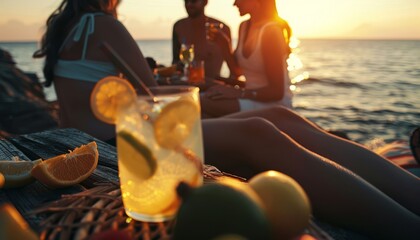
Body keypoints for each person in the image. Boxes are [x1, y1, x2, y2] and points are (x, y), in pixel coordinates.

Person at [34, 0, 420, 239]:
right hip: (121, 141)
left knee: (280, 114)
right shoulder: (104, 25)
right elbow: (154, 95)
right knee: (259, 130)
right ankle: (406, 224)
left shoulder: (73, 26)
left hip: (104, 132)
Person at [33, 0, 156, 141]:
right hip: (105, 144)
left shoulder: (61, 25)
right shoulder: (107, 25)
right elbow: (152, 92)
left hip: (67, 141)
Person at [200, 0, 293, 118]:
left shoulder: (271, 31)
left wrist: (237, 93)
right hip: (250, 97)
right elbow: (237, 71)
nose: (235, 4)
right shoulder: (244, 26)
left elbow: (276, 92)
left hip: (274, 105)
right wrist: (224, 45)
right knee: (202, 96)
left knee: (198, 102)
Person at [172, 0, 232, 78]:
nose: (189, 4)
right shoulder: (179, 27)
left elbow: (233, 68)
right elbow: (175, 61)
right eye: (186, 1)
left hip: (212, 86)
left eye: (194, 1)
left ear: (205, 2)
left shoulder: (220, 28)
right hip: (187, 85)